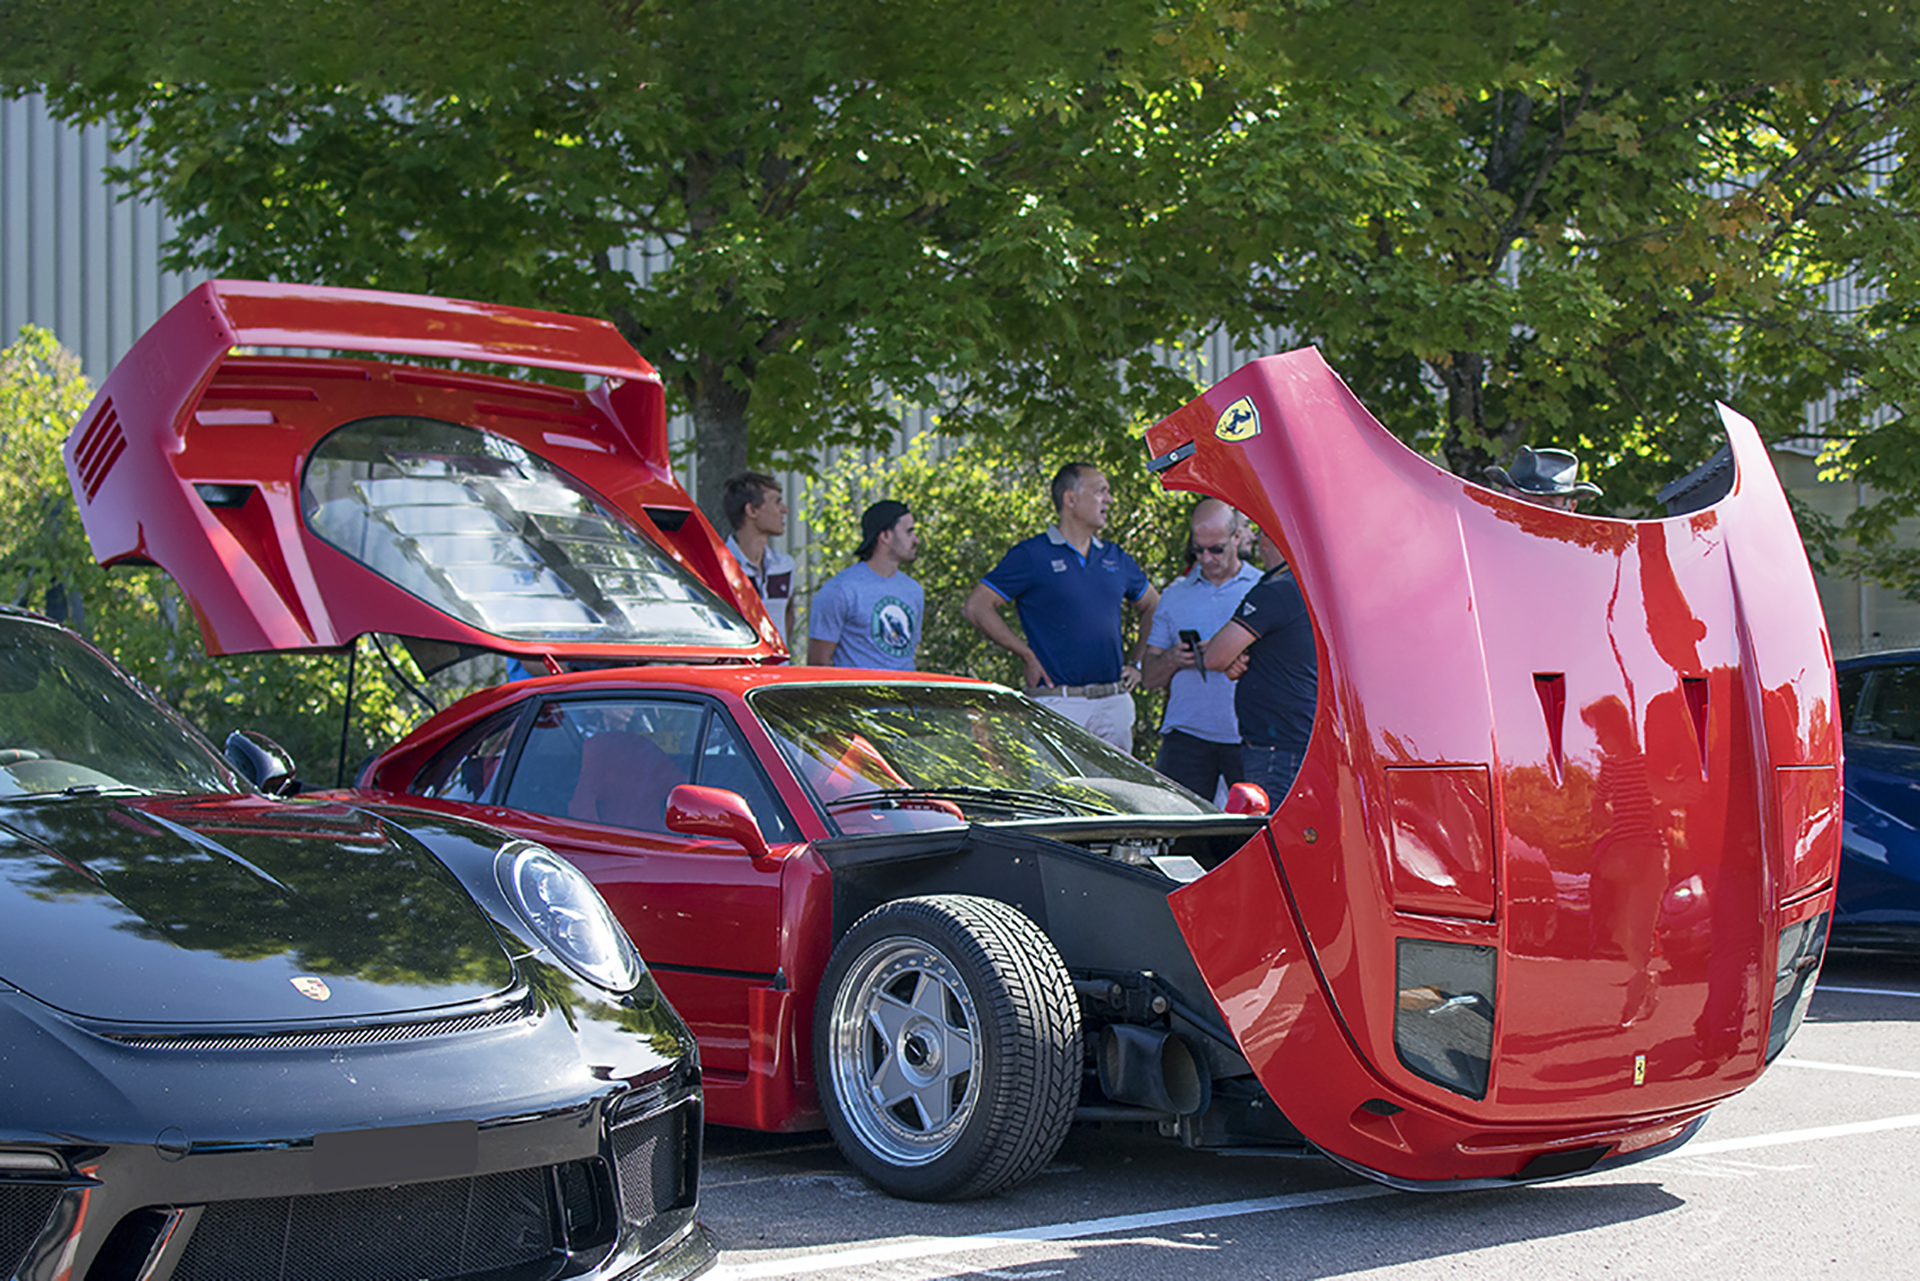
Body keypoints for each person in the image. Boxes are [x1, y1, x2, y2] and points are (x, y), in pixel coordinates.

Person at [963, 462, 1160, 752]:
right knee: (1055, 783)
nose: (1109, 499)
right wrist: (1026, 654)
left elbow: (1155, 606)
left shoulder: (1116, 557)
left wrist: (1138, 663)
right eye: (1100, 491)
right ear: (1070, 498)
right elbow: (977, 607)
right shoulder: (1032, 555)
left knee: (1115, 784)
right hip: (1058, 702)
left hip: (1113, 702)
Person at [1140, 499, 1261, 801]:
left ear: (1237, 537)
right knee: (1179, 826)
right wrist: (1173, 658)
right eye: (1198, 550)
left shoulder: (1263, 589)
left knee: (1257, 827)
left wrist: (1230, 654)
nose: (1206, 559)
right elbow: (1149, 678)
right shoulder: (1175, 594)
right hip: (1187, 735)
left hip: (1249, 736)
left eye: (1216, 549)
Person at [1204, 526, 1317, 811]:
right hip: (1296, 738)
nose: (1254, 538)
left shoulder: (1277, 591)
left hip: (1275, 748)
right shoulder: (1308, 585)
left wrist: (1233, 655)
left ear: (1269, 538)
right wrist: (1244, 657)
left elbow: (1214, 657)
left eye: (1259, 531)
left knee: (1271, 831)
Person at [808, 500, 923, 670]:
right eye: (909, 532)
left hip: (905, 687)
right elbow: (818, 664)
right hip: (858, 688)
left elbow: (907, 652)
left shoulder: (914, 590)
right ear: (885, 536)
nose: (916, 540)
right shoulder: (840, 590)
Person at [721, 471, 796, 643]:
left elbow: (787, 612)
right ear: (752, 510)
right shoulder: (721, 565)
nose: (784, 510)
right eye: (777, 502)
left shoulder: (784, 565)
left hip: (776, 661)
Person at [1483, 446, 1602, 511]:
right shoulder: (1478, 538)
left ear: (1571, 508)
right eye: (1520, 502)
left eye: (1545, 507)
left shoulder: (1572, 548)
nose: (1530, 516)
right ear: (1504, 496)